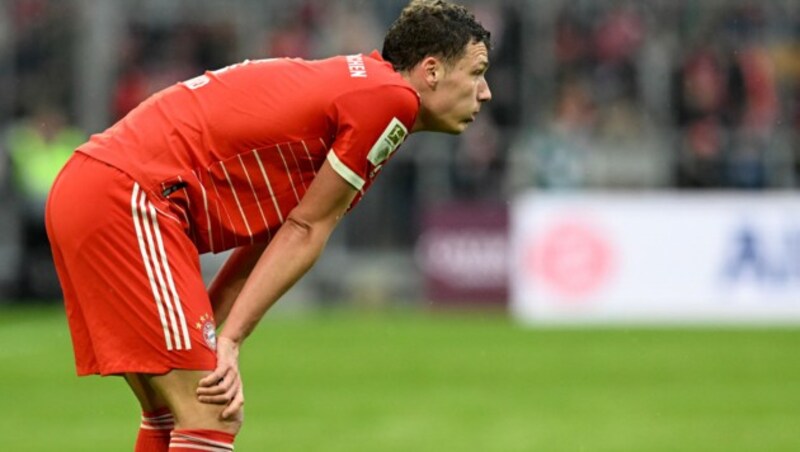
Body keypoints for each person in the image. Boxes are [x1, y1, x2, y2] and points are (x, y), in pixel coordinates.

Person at [45, 0, 491, 450]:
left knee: (172, 413)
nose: (485, 91)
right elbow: (306, 229)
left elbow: (276, 237)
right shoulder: (391, 100)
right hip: (128, 198)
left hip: (98, 187)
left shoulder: (356, 88)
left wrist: (219, 333)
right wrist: (231, 341)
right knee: (211, 413)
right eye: (476, 72)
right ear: (431, 71)